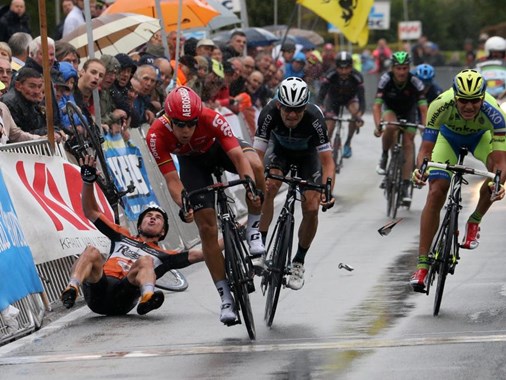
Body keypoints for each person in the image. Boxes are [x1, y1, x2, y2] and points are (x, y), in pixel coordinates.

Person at [146, 86, 265, 324]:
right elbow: (172, 180)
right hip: (192, 165)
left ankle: (253, 228)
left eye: (191, 123)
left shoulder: (212, 118)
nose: (187, 130)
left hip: (218, 149)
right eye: (180, 124)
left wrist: (251, 186)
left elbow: (238, 158)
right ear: (169, 119)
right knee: (207, 229)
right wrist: (184, 204)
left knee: (257, 166)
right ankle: (226, 298)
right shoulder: (155, 135)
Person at [60, 155, 205, 315]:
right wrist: (88, 182)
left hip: (124, 297)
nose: (152, 218)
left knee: (146, 260)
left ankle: (148, 297)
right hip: (98, 290)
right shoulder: (122, 235)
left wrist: (233, 234)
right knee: (91, 251)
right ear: (139, 224)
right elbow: (90, 211)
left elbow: (203, 253)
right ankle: (71, 288)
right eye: (149, 215)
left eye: (158, 218)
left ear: (163, 231)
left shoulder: (165, 255)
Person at [410, 69, 506, 292]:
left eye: (475, 101)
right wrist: (421, 170)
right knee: (436, 191)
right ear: (454, 97)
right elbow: (426, 149)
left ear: (483, 98)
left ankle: (474, 220)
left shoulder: (496, 114)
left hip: (481, 137)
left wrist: (498, 182)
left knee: (495, 176)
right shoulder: (439, 105)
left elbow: (501, 161)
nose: (469, 107)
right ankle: (422, 266)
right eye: (463, 100)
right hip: (448, 138)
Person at [254, 77, 335, 290]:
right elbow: (256, 156)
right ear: (279, 104)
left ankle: (298, 261)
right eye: (288, 109)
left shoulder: (315, 118)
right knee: (269, 186)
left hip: (308, 156)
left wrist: (327, 190)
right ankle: (259, 246)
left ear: (305, 106)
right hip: (279, 151)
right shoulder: (268, 113)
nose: (292, 115)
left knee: (311, 206)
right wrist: (255, 183)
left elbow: (327, 162)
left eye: (298, 110)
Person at [373, 51, 428, 203]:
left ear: (409, 68)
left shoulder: (416, 82)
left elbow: (424, 109)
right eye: (398, 68)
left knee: (408, 144)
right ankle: (384, 156)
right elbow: (377, 106)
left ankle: (405, 184)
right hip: (391, 110)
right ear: (392, 68)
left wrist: (426, 129)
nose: (402, 72)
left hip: (409, 112)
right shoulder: (385, 79)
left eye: (405, 68)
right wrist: (378, 126)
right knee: (390, 126)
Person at [318, 51, 365, 159]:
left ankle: (348, 143)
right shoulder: (330, 74)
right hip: (333, 100)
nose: (343, 71)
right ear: (336, 66)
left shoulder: (357, 76)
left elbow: (362, 100)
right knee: (330, 124)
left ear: (351, 67)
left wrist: (359, 115)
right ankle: (326, 147)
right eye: (340, 68)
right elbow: (321, 96)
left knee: (355, 113)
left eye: (347, 68)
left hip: (350, 99)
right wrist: (322, 108)